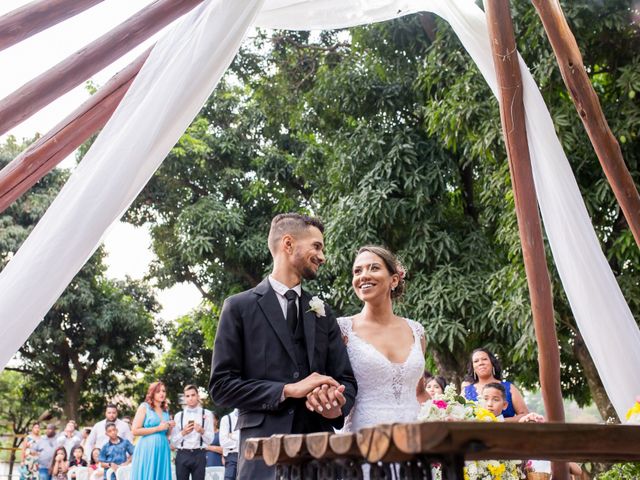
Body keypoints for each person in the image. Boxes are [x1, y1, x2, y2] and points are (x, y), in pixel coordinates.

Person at [210, 213, 357, 479]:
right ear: (288, 244)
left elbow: (347, 380)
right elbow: (221, 387)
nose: (322, 256)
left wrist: (335, 405)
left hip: (318, 460)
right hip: (262, 459)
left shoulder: (323, 312)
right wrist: (287, 390)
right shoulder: (239, 307)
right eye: (317, 246)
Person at [333, 245, 425, 432]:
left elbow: (420, 392)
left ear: (394, 280)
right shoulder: (341, 329)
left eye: (374, 268)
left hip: (414, 441)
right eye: (357, 271)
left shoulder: (416, 331)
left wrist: (452, 412)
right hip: (361, 440)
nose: (363, 275)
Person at [462, 347, 529, 421]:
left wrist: (499, 421)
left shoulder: (509, 388)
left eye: (484, 359)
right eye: (476, 361)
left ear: (492, 363)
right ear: (473, 367)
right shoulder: (465, 391)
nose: (481, 363)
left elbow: (525, 415)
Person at [129, 381, 174, 480]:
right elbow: (135, 430)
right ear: (152, 393)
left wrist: (170, 427)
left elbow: (166, 434)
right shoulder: (144, 407)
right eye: (158, 391)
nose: (162, 393)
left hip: (163, 447)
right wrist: (158, 428)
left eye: (163, 391)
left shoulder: (165, 410)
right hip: (148, 448)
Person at [170, 384, 215, 480]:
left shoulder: (207, 414)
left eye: (193, 395)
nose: (190, 398)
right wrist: (183, 432)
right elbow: (173, 442)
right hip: (182, 454)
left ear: (198, 396)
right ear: (185, 398)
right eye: (187, 396)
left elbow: (210, 440)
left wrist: (202, 431)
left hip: (200, 454)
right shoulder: (178, 416)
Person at [219, 409, 239, 480]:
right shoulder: (226, 419)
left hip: (248, 456)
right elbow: (223, 441)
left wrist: (232, 436)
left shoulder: (251, 417)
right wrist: (241, 442)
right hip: (232, 456)